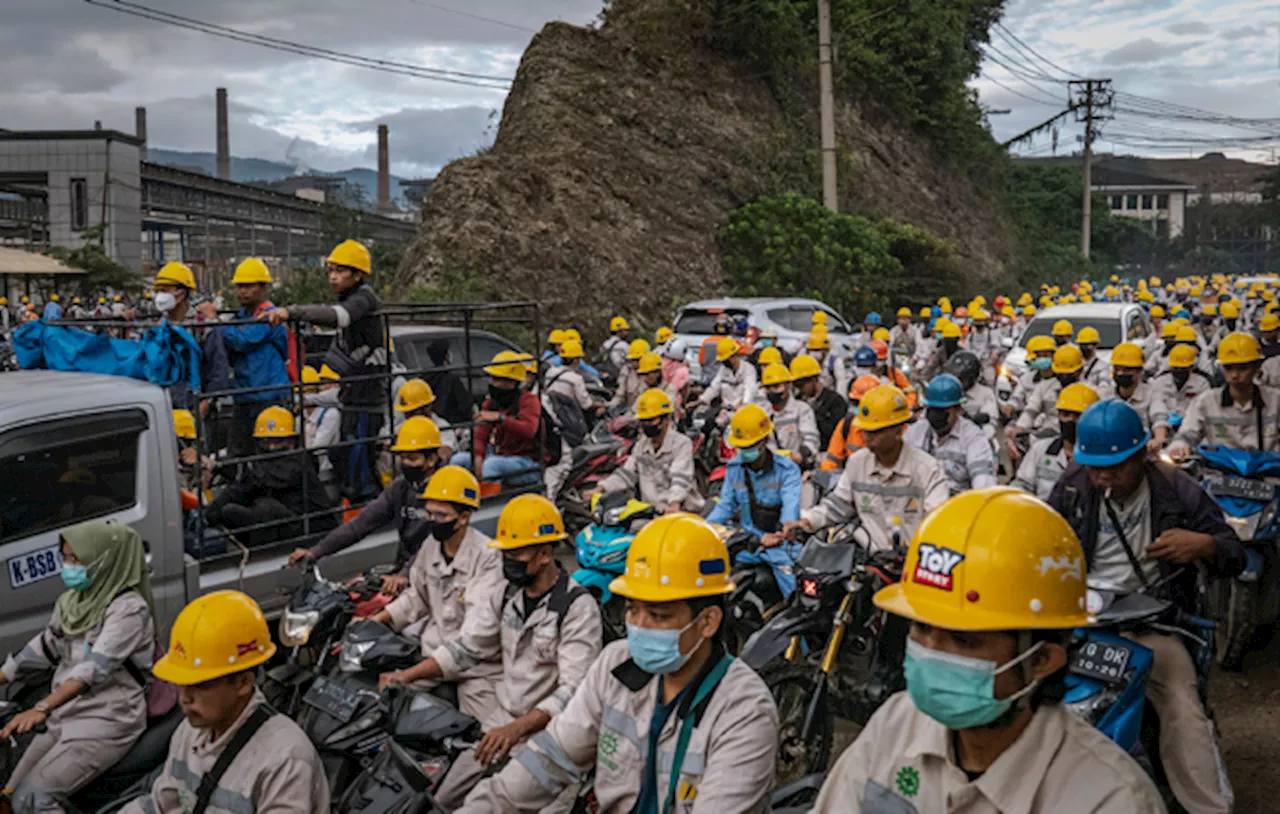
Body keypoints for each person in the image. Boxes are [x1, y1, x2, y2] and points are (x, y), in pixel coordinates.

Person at [813, 488, 1164, 813]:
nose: (930, 651)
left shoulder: (1108, 800)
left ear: (1041, 660)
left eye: (964, 639)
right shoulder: (895, 724)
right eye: (920, 627)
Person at [457, 514, 779, 814]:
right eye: (632, 610)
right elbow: (551, 758)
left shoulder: (744, 710)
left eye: (658, 616)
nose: (638, 626)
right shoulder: (616, 666)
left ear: (707, 621)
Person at [1049, 400, 1245, 814]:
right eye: (1094, 466)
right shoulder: (1071, 487)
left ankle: (1208, 806)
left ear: (1141, 455)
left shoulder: (1177, 490)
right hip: (1080, 623)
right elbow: (1042, 542)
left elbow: (1233, 553)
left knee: (1181, 706)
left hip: (1153, 624)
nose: (1103, 476)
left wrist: (1203, 545)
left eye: (1116, 466)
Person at [434, 496, 603, 810]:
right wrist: (410, 674)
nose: (509, 559)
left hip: (553, 734)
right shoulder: (506, 594)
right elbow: (469, 648)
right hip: (502, 720)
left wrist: (518, 728)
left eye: (518, 552)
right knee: (444, 797)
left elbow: (573, 691)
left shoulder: (577, 608)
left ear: (545, 554)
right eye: (506, 552)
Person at [120, 591, 328, 814]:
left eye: (201, 685)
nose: (185, 697)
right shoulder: (188, 732)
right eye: (181, 683)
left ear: (242, 683)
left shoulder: (285, 760)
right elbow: (161, 804)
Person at [0, 523, 155, 814]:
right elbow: (44, 648)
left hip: (107, 719)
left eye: (77, 559)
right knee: (8, 797)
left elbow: (94, 670)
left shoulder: (129, 609)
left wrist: (41, 707)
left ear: (104, 559)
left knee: (32, 800)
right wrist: (4, 674)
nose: (69, 566)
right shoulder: (72, 603)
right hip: (65, 714)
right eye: (66, 558)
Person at [372, 466, 504, 720]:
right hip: (431, 657)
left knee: (480, 737)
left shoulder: (488, 559)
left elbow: (474, 638)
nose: (432, 521)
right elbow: (416, 596)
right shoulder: (432, 546)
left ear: (464, 517)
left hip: (474, 668)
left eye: (441, 515)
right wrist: (378, 620)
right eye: (429, 513)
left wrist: (407, 676)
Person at [267, 240, 387, 502]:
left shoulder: (364, 299)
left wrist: (292, 312)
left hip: (368, 398)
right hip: (353, 395)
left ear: (357, 275)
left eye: (341, 270)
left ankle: (366, 508)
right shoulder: (351, 297)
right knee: (343, 455)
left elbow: (339, 316)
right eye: (331, 269)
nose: (333, 276)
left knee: (358, 459)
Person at [290, 416, 446, 596]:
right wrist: (316, 551)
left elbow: (435, 541)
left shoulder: (446, 488)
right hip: (405, 572)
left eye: (412, 458)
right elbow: (361, 524)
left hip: (436, 575)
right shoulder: (400, 488)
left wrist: (405, 574)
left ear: (432, 459)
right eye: (402, 458)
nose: (406, 464)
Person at [790, 385, 948, 551]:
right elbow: (836, 507)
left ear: (899, 430)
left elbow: (938, 524)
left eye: (876, 431)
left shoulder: (928, 469)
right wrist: (806, 520)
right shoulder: (857, 463)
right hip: (871, 562)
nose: (868, 437)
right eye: (865, 430)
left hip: (915, 564)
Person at [205, 406, 337, 547]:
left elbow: (253, 480)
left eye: (278, 442)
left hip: (315, 531)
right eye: (266, 442)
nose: (272, 447)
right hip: (291, 523)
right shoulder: (264, 464)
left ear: (291, 443)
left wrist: (210, 511)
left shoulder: (297, 463)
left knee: (266, 508)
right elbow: (245, 483)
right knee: (231, 510)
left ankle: (263, 553)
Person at [219, 258, 291, 457]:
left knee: (268, 452)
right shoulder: (240, 317)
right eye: (240, 286)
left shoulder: (270, 315)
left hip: (268, 393)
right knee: (238, 451)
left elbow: (243, 340)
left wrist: (213, 322)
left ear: (262, 287)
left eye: (248, 286)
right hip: (245, 394)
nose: (242, 291)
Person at [1169, 333, 1280, 457]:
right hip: (1219, 473)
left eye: (1242, 368)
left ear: (1257, 367)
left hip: (1267, 473)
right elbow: (1188, 432)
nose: (1235, 375)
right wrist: (1180, 445)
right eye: (1229, 368)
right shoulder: (1206, 401)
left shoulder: (1275, 401)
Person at [594, 389, 703, 514]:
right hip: (651, 512)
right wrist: (602, 487)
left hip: (680, 512)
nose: (645, 424)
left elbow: (680, 476)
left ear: (666, 420)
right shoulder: (641, 445)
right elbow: (626, 474)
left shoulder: (681, 444)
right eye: (643, 421)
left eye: (650, 420)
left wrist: (674, 503)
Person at [707, 404, 803, 543]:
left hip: (779, 544)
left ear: (764, 441)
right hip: (747, 541)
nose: (745, 451)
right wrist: (706, 528)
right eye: (742, 447)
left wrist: (782, 533)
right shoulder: (735, 469)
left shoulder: (787, 470)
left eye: (750, 446)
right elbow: (725, 506)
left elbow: (790, 508)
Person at [152, 261, 231, 417]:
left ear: (181, 295)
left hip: (195, 406)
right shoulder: (158, 328)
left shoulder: (202, 327)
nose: (160, 295)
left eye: (165, 290)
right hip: (165, 408)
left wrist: (205, 404)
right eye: (158, 290)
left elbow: (218, 369)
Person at [456, 351, 543, 486]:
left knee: (492, 465)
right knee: (459, 460)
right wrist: (478, 455)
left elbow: (529, 429)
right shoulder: (491, 403)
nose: (492, 383)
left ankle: (490, 505)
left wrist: (501, 418)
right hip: (502, 456)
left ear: (512, 382)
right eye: (491, 378)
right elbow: (480, 434)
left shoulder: (528, 401)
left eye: (497, 379)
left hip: (529, 462)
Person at [903, 374, 996, 496]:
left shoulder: (973, 438)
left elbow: (984, 486)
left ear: (958, 409)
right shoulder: (916, 432)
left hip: (956, 506)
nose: (936, 415)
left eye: (942, 411)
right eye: (932, 409)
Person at [1011, 382, 1099, 500]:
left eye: (1078, 416)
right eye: (1066, 414)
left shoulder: (1100, 458)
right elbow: (1021, 486)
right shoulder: (1041, 449)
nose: (1070, 420)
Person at [1008, 344, 1083, 447]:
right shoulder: (1044, 386)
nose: (1064, 377)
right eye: (1061, 373)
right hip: (1048, 434)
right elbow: (1031, 409)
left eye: (1068, 374)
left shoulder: (1089, 391)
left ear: (1079, 371)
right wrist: (1020, 427)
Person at [1103, 342, 1169, 450]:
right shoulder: (1105, 395)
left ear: (1139, 371)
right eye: (1117, 369)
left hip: (1142, 451)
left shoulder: (1152, 392)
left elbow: (1159, 415)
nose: (1120, 373)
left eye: (1127, 370)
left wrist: (1159, 438)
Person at [759, 362, 820, 468]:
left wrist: (801, 455)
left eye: (776, 386)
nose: (772, 391)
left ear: (788, 386)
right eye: (768, 388)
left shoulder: (802, 410)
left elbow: (811, 439)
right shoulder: (764, 414)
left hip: (799, 467)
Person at [820, 374, 879, 472]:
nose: (859, 407)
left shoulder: (890, 428)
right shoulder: (847, 424)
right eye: (856, 403)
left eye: (862, 403)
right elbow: (833, 458)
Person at [791, 353, 847, 449]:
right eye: (796, 385)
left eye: (801, 385)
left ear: (813, 379)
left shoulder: (835, 401)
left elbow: (837, 432)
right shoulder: (797, 400)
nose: (799, 389)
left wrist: (812, 415)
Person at [394, 377, 459, 457]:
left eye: (412, 412)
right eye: (407, 412)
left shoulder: (441, 426)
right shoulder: (401, 428)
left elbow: (445, 453)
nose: (408, 416)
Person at [301, 365, 342, 490]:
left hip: (324, 470)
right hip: (303, 467)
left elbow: (317, 447)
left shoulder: (330, 413)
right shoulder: (300, 415)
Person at [697, 336, 758, 417]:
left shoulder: (748, 369)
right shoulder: (723, 369)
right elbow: (714, 387)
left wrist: (744, 404)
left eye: (726, 359)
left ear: (734, 355)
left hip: (742, 411)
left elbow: (750, 389)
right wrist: (700, 401)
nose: (724, 362)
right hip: (725, 410)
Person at [424, 338, 476, 425]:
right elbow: (465, 406)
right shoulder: (452, 380)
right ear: (446, 356)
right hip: (452, 425)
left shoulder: (425, 378)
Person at [944, 351, 999, 431]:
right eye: (953, 377)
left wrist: (969, 419)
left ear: (971, 378)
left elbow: (990, 425)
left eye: (961, 379)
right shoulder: (944, 391)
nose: (955, 382)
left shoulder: (986, 394)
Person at [610, 338, 651, 412]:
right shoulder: (627, 371)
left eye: (637, 359)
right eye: (633, 360)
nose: (635, 363)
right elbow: (620, 395)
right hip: (629, 411)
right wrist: (609, 406)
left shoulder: (652, 375)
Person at [600, 315, 632, 380]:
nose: (627, 333)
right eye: (625, 330)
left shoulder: (605, 344)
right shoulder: (624, 345)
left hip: (606, 376)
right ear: (619, 331)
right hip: (620, 377)